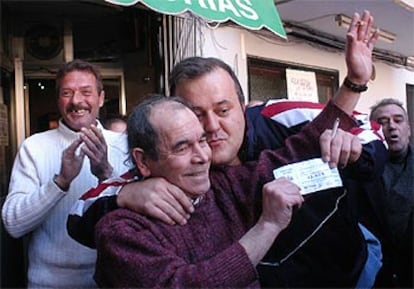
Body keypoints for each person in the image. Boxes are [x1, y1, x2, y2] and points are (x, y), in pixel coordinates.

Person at [68, 11, 383, 287]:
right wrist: (125, 195)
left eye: (222, 110)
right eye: (195, 116)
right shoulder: (134, 216)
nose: (210, 130)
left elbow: (312, 142)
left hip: (351, 271)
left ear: (243, 106)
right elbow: (80, 213)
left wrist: (354, 88)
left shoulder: (275, 125)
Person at [93, 95, 384, 288]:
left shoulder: (222, 186)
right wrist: (267, 226)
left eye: (203, 141)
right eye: (182, 147)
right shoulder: (121, 233)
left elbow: (294, 150)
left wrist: (353, 84)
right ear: (143, 161)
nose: (202, 156)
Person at [1, 59, 130, 288]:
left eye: (86, 92)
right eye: (67, 93)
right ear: (58, 100)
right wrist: (60, 182)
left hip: (111, 280)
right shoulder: (34, 147)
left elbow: (137, 217)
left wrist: (105, 174)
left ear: (101, 98)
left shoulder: (124, 144)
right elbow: (14, 224)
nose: (76, 101)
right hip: (48, 282)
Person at [358, 98, 413, 288]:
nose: (391, 127)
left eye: (398, 120)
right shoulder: (356, 172)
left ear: (409, 129)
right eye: (382, 122)